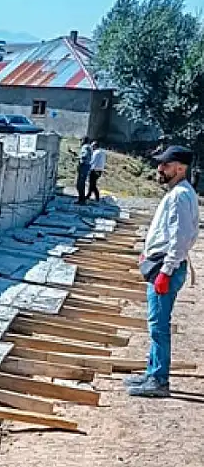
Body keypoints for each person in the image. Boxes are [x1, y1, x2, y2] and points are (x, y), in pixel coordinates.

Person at [125, 146, 199, 398]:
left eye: (166, 165)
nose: (160, 169)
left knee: (158, 325)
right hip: (162, 263)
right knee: (156, 323)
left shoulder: (179, 195)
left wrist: (165, 271)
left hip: (166, 267)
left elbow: (181, 238)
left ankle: (158, 379)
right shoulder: (180, 193)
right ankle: (152, 373)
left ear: (180, 168)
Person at [75, 137, 93, 205]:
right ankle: (81, 199)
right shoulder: (89, 146)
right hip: (87, 166)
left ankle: (81, 200)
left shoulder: (85, 146)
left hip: (83, 166)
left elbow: (84, 155)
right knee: (81, 183)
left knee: (80, 184)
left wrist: (79, 158)